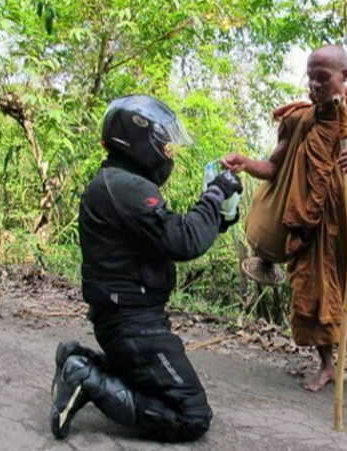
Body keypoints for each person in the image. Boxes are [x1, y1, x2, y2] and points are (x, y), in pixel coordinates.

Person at [49, 94, 243, 442]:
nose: (168, 151)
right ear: (139, 140)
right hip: (133, 324)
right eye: (164, 143)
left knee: (155, 381)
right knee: (191, 415)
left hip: (127, 319)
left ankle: (78, 359)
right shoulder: (126, 187)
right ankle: (86, 379)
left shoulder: (118, 181)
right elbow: (184, 241)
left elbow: (169, 232)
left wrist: (220, 214)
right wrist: (214, 196)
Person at [222, 45, 347, 400]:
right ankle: (327, 365)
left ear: (344, 76)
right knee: (310, 299)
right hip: (307, 228)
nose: (314, 86)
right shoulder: (298, 121)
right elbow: (274, 167)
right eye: (311, 78)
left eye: (322, 78)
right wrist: (245, 163)